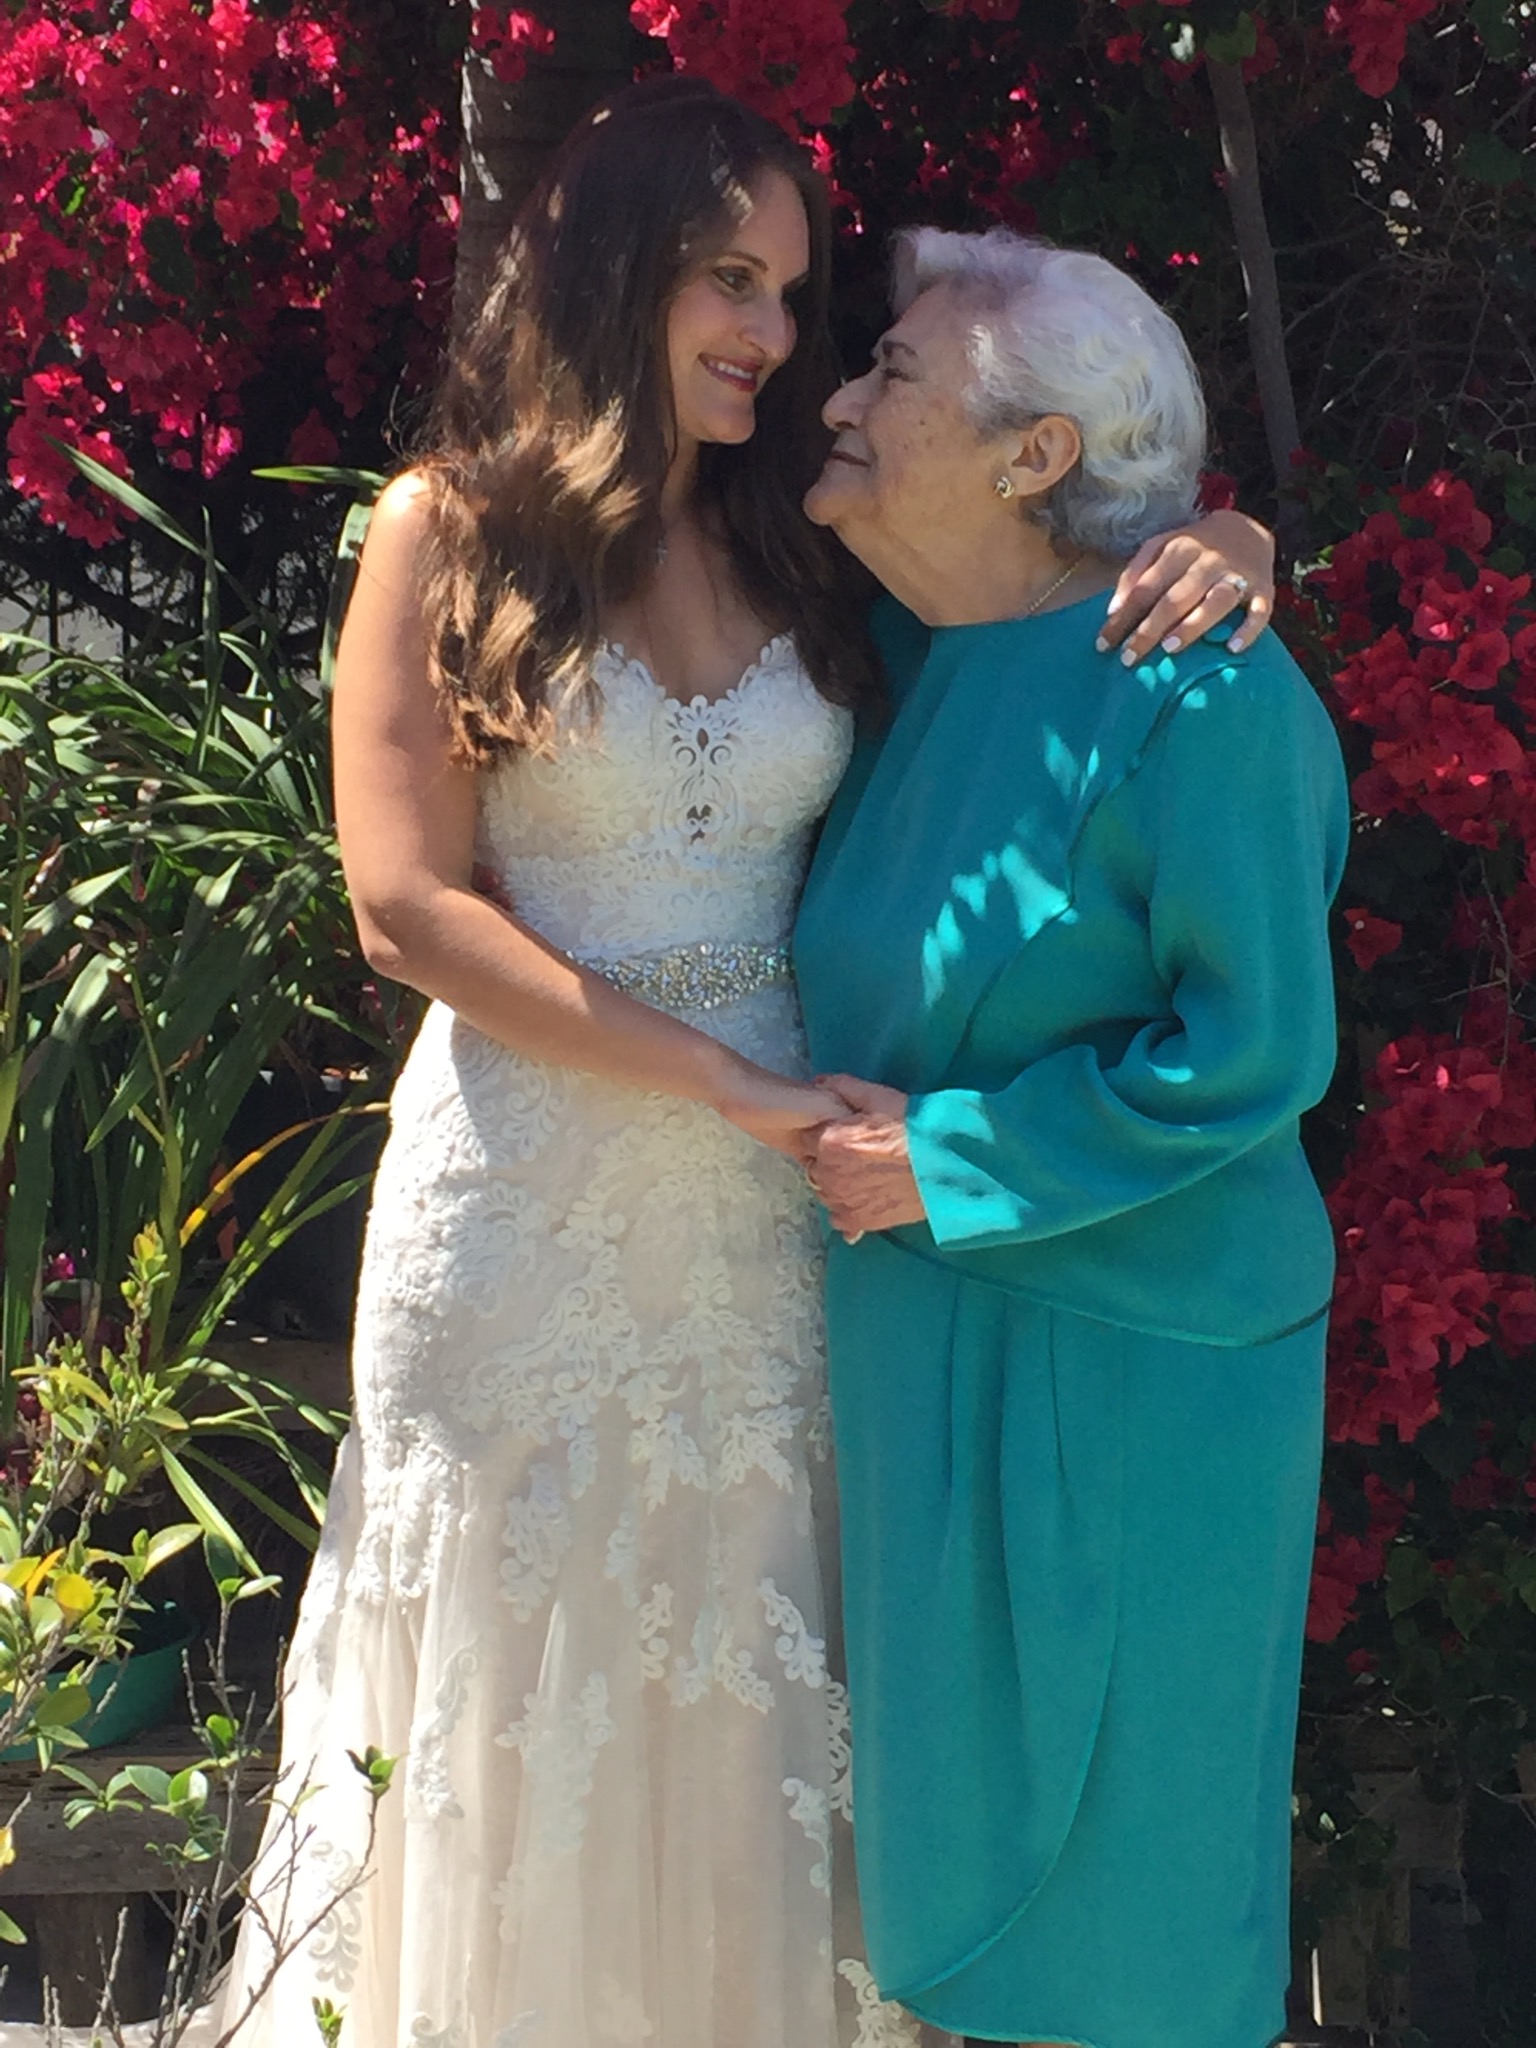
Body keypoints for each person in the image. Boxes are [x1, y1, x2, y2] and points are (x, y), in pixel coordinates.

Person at [204, 90, 1278, 2048]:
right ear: (615, 267)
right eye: (731, 279)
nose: (776, 336)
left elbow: (1036, 590)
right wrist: (718, 1079)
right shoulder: (445, 527)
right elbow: (404, 907)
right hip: (528, 1200)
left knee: (759, 1656)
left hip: (784, 1209)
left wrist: (1226, 533)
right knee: (527, 1669)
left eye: (792, 293)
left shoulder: (810, 539)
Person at [793, 225, 1349, 2048]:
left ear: (1035, 455)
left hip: (1145, 1366)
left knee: (1134, 1919)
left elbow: (1254, 1051)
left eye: (890, 371)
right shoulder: (901, 658)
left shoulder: (1207, 690)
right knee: (956, 1904)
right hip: (924, 1345)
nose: (839, 395)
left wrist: (949, 1166)